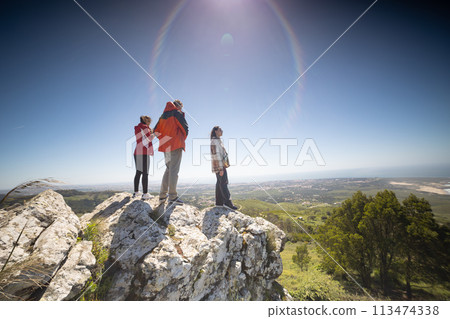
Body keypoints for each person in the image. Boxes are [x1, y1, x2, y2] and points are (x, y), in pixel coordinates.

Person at [154, 100, 188, 205]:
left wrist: (164, 139)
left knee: (168, 169)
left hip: (166, 146)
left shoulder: (162, 116)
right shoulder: (176, 113)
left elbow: (155, 131)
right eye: (181, 107)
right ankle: (172, 197)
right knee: (174, 170)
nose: (181, 109)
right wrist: (180, 139)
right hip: (175, 145)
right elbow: (185, 128)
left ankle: (162, 196)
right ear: (178, 106)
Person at [210, 126, 237, 210]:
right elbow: (216, 155)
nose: (222, 131)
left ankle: (219, 203)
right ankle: (227, 203)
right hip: (219, 165)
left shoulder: (217, 141)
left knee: (219, 182)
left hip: (219, 165)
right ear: (215, 131)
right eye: (220, 130)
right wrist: (221, 168)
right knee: (224, 183)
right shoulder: (215, 141)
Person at [133, 115, 154, 200]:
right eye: (149, 122)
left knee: (138, 172)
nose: (150, 124)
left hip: (137, 152)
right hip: (144, 152)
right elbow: (149, 139)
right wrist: (153, 133)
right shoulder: (145, 128)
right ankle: (145, 194)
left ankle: (136, 192)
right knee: (145, 173)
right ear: (146, 121)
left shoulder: (138, 128)